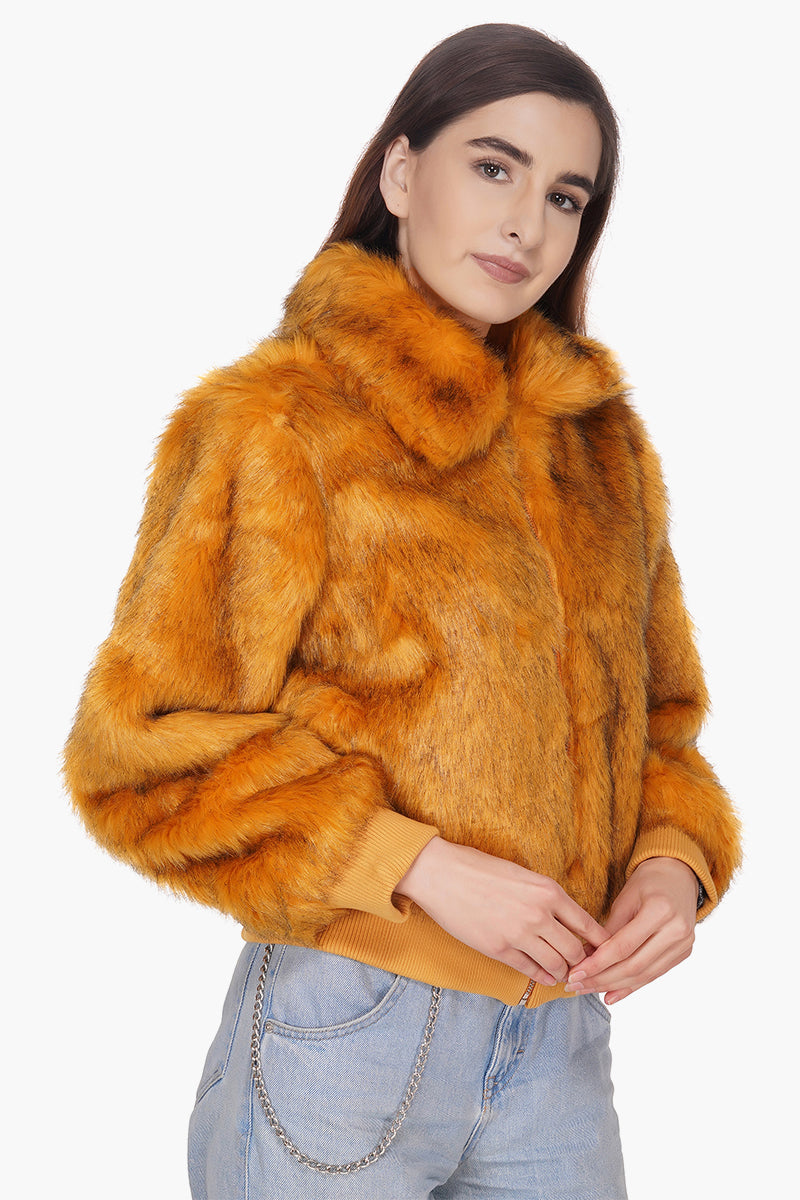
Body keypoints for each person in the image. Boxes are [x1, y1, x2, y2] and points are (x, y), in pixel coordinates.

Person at [63, 22, 742, 1200]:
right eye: (492, 166)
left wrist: (672, 867)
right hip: (346, 1038)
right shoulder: (278, 422)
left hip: (560, 1048)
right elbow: (139, 758)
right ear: (398, 172)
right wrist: (412, 864)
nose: (526, 224)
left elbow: (662, 729)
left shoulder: (597, 446)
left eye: (565, 195)